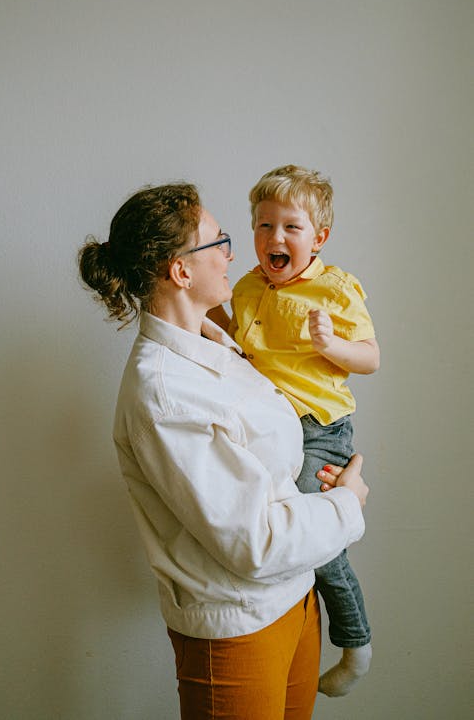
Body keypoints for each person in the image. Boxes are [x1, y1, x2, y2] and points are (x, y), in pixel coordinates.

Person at [78, 182, 369, 720]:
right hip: (240, 630)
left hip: (298, 602)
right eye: (219, 240)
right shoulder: (164, 392)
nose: (235, 253)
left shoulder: (226, 346)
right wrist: (347, 502)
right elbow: (252, 542)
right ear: (181, 271)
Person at [210, 165, 379, 698]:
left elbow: (371, 358)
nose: (274, 238)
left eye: (291, 227)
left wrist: (331, 346)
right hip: (269, 423)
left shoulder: (335, 288)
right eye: (263, 226)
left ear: (319, 238)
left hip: (318, 428)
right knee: (263, 518)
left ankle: (356, 643)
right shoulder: (246, 287)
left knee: (316, 526)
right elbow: (239, 346)